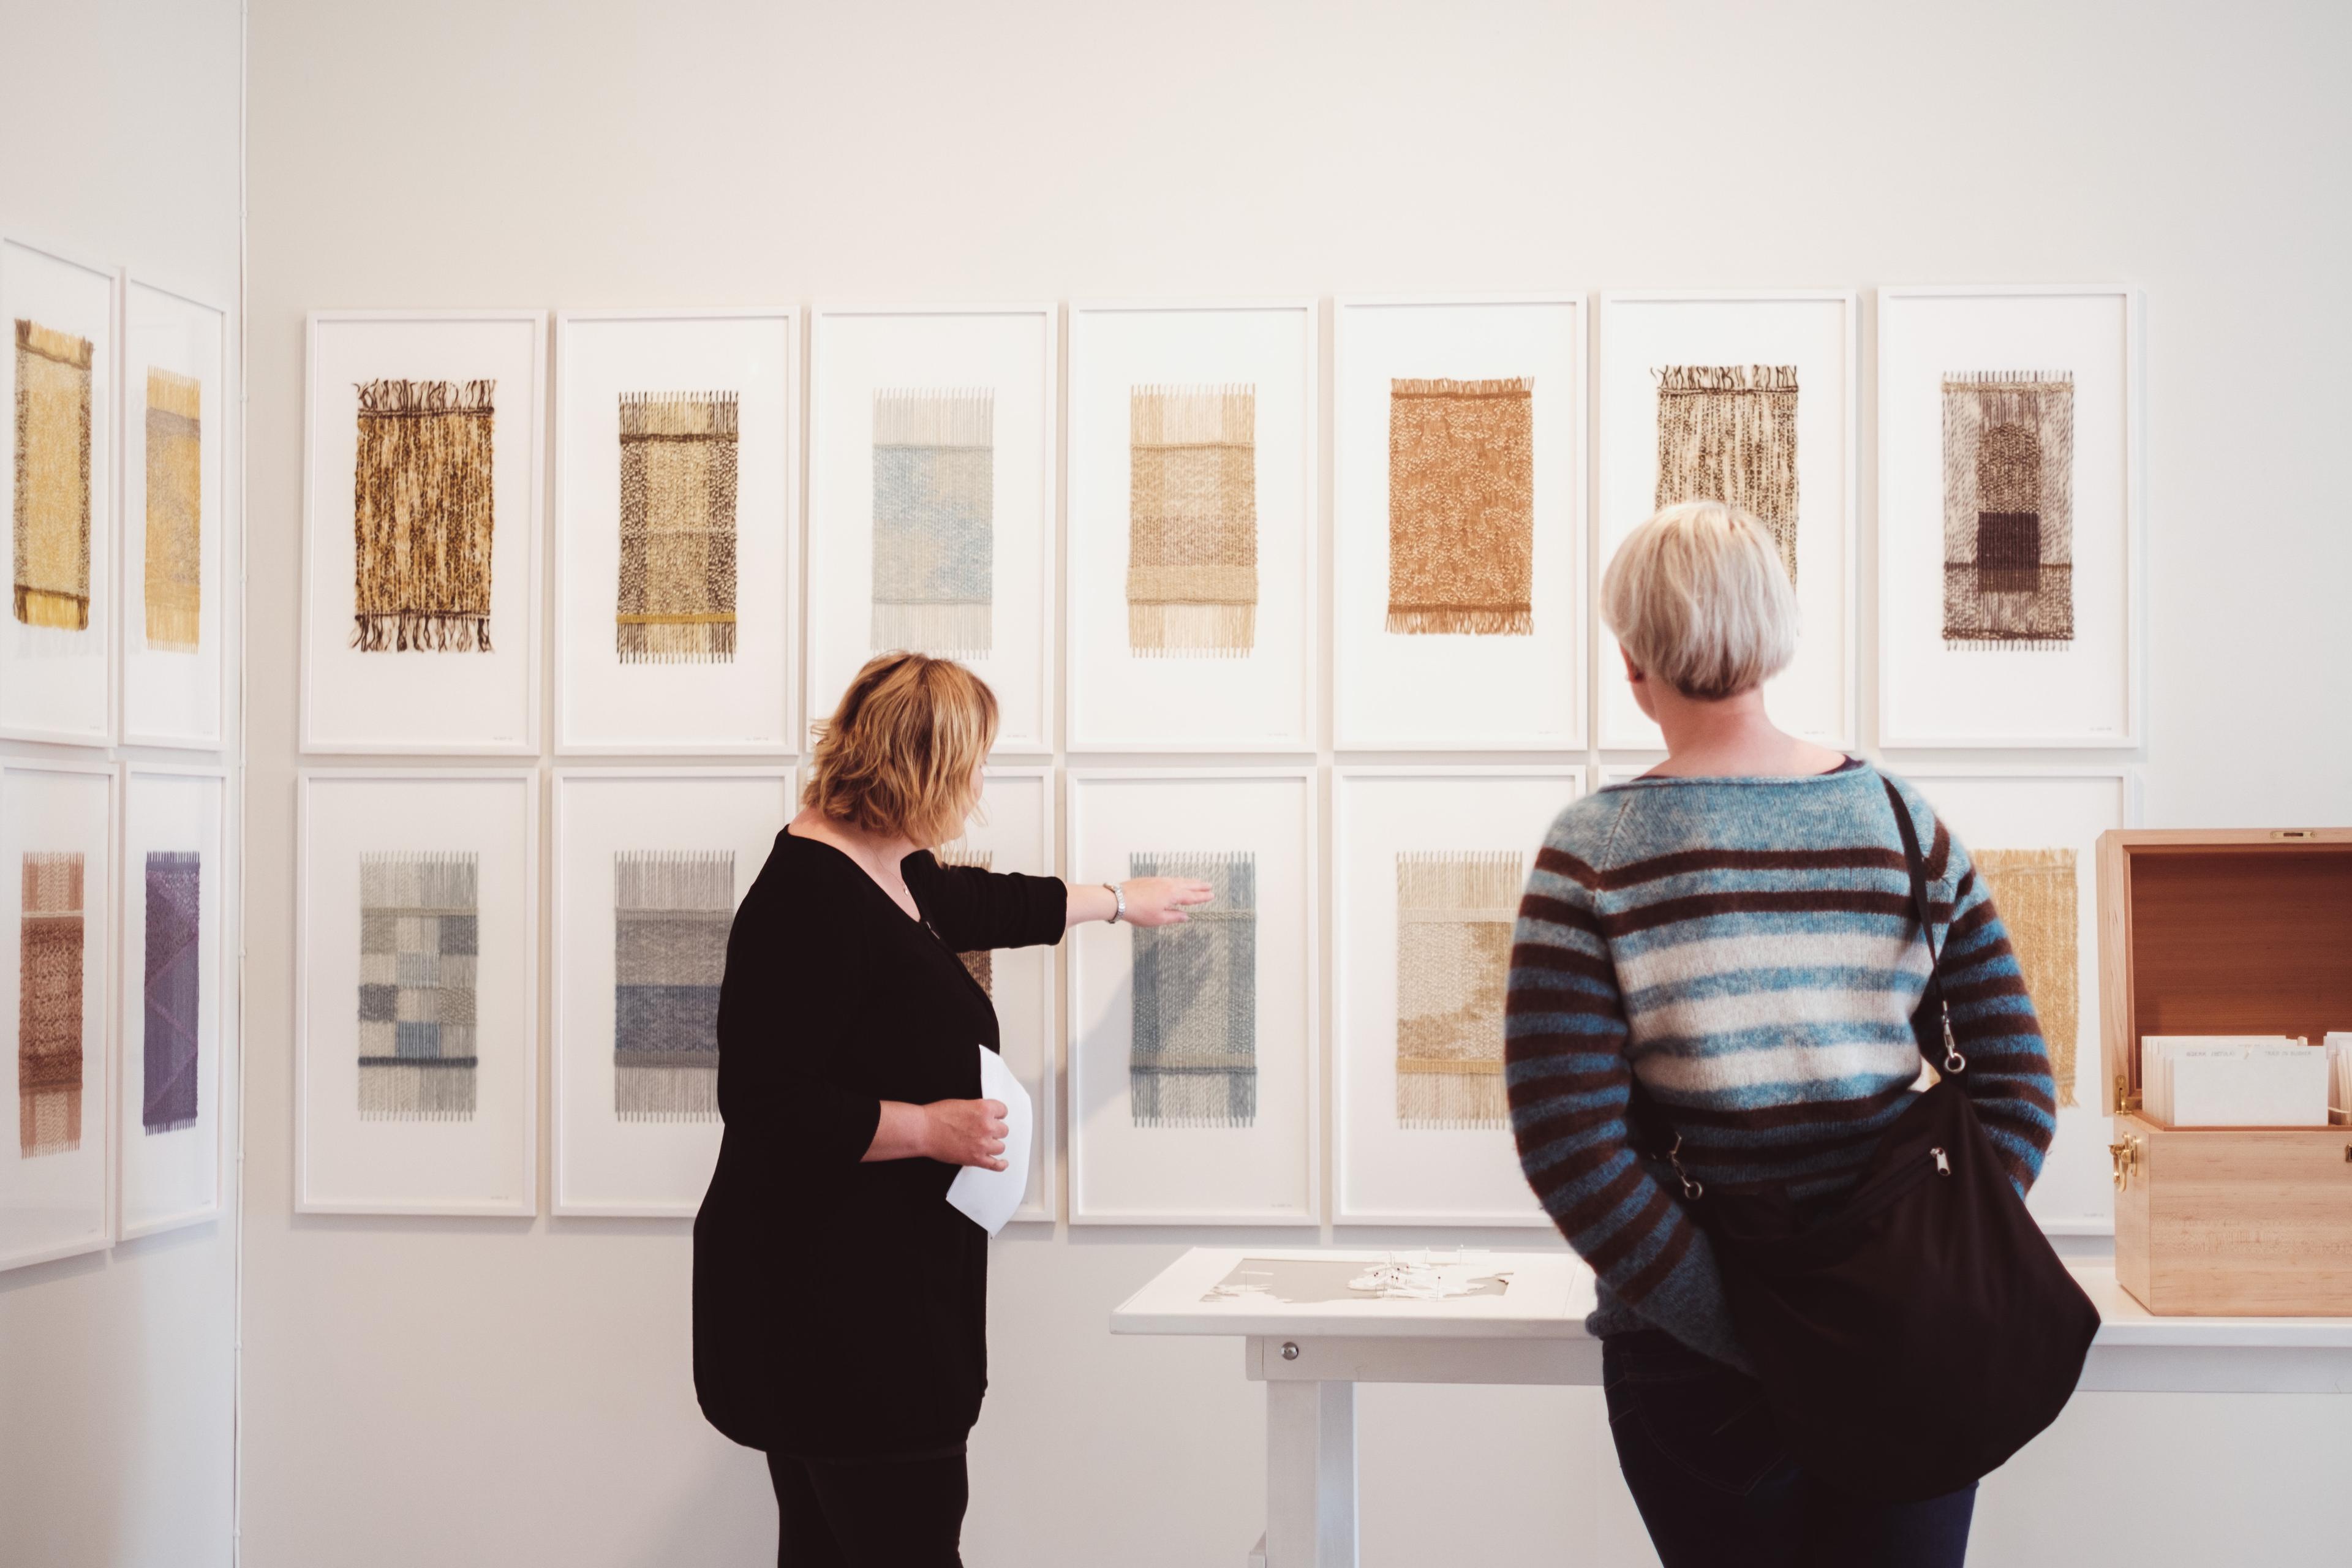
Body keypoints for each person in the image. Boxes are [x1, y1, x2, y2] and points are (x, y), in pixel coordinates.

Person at [1504, 501, 2057, 1568]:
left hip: (1698, 1374)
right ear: (1774, 633)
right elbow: (2020, 1089)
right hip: (1911, 1346)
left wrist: (1739, 1321)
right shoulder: (1900, 820)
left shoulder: (1594, 853)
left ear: (1631, 659)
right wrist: (1915, 1273)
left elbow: (1572, 1144)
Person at [693, 652, 1209, 1568]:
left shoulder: (886, 867)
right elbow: (767, 1103)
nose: (976, 791)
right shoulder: (805, 900)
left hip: (864, 1299)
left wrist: (1122, 902)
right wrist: (929, 1127)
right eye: (968, 770)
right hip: (839, 1317)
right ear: (919, 771)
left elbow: (978, 902)